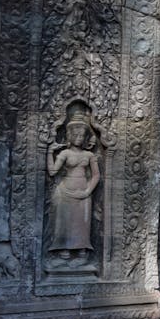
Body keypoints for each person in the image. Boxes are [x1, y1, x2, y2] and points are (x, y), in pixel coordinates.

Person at [47, 109, 101, 266]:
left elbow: (96, 175)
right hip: (65, 192)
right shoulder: (65, 153)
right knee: (64, 222)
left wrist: (88, 190)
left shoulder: (89, 155)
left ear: (85, 138)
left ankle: (82, 253)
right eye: (75, 135)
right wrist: (50, 152)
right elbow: (52, 171)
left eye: (81, 135)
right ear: (69, 136)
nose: (78, 138)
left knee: (82, 223)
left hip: (83, 193)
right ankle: (64, 251)